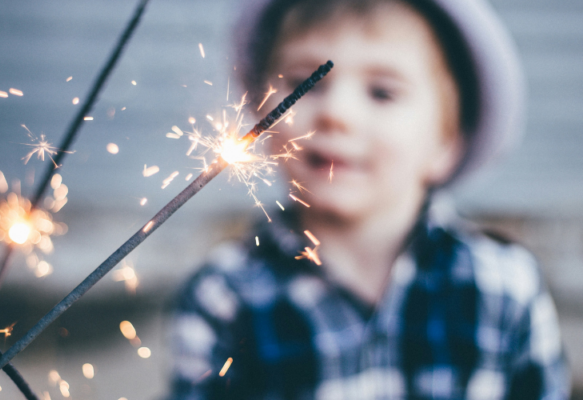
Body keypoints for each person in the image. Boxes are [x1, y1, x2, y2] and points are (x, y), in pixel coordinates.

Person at [167, 0, 570, 398]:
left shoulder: (505, 288)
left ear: (445, 142)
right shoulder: (223, 298)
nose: (336, 113)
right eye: (304, 84)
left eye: (382, 92)